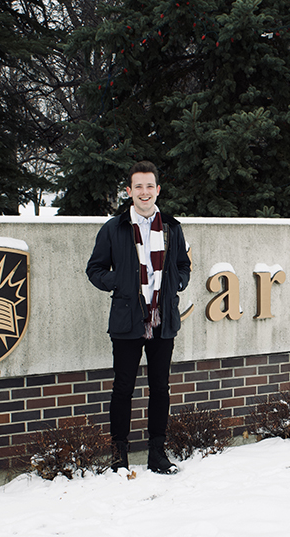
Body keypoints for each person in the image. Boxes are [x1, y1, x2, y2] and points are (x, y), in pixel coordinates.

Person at [86, 161, 191, 474]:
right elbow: (95, 269)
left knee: (160, 388)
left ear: (158, 190)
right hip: (127, 319)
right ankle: (119, 455)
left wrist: (177, 283)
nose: (144, 192)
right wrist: (120, 283)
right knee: (123, 388)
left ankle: (157, 454)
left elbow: (184, 265)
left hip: (163, 320)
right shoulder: (114, 228)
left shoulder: (172, 227)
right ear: (129, 191)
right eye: (138, 187)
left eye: (150, 186)